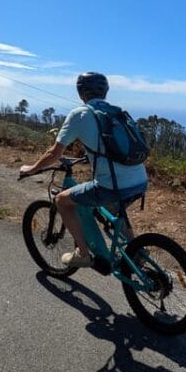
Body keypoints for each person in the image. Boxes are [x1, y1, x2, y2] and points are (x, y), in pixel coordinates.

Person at [20, 72, 148, 267]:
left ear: (81, 93)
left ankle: (83, 253)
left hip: (111, 186)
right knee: (111, 206)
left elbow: (54, 153)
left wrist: (31, 169)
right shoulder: (118, 113)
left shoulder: (80, 114)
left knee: (62, 201)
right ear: (105, 93)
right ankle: (136, 250)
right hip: (140, 181)